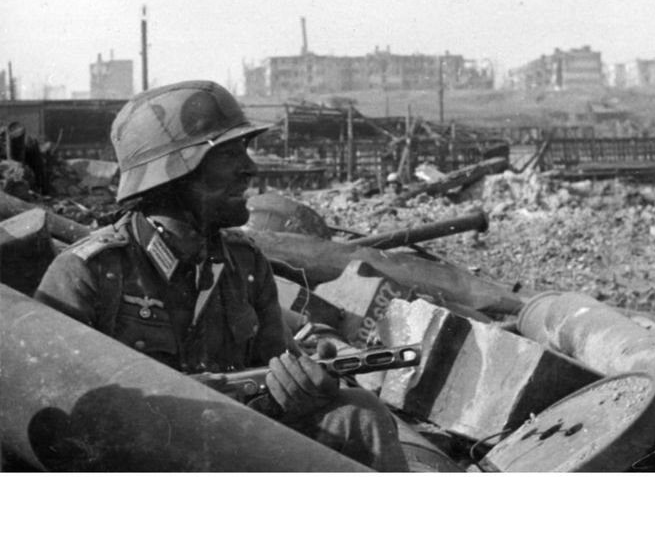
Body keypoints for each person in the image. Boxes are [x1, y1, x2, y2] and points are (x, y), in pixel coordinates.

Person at [35, 80, 408, 472]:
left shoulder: (244, 265)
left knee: (359, 415)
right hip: (139, 463)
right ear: (173, 174)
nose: (250, 168)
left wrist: (303, 390)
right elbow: (51, 414)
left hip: (228, 446)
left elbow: (272, 376)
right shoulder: (89, 272)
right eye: (229, 153)